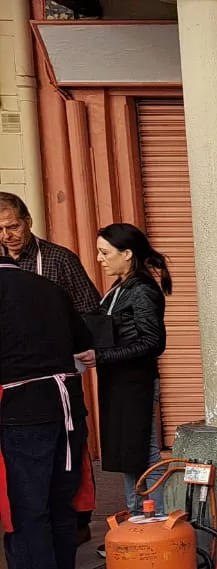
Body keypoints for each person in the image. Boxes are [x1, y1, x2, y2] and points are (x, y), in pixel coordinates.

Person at [0, 192, 100, 541]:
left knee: (66, 450)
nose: (6, 236)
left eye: (12, 226)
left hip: (60, 367)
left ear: (27, 220)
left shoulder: (58, 260)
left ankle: (79, 518)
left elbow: (91, 310)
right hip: (14, 378)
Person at [0, 246, 92, 569]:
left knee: (27, 505)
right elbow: (82, 342)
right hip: (66, 403)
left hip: (22, 408)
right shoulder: (48, 287)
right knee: (59, 497)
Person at [80, 224, 169, 517]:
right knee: (131, 455)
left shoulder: (142, 290)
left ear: (127, 254)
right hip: (118, 381)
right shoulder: (121, 287)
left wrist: (102, 355)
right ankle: (138, 518)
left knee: (144, 452)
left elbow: (153, 342)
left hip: (135, 383)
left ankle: (151, 520)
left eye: (105, 252)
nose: (99, 258)